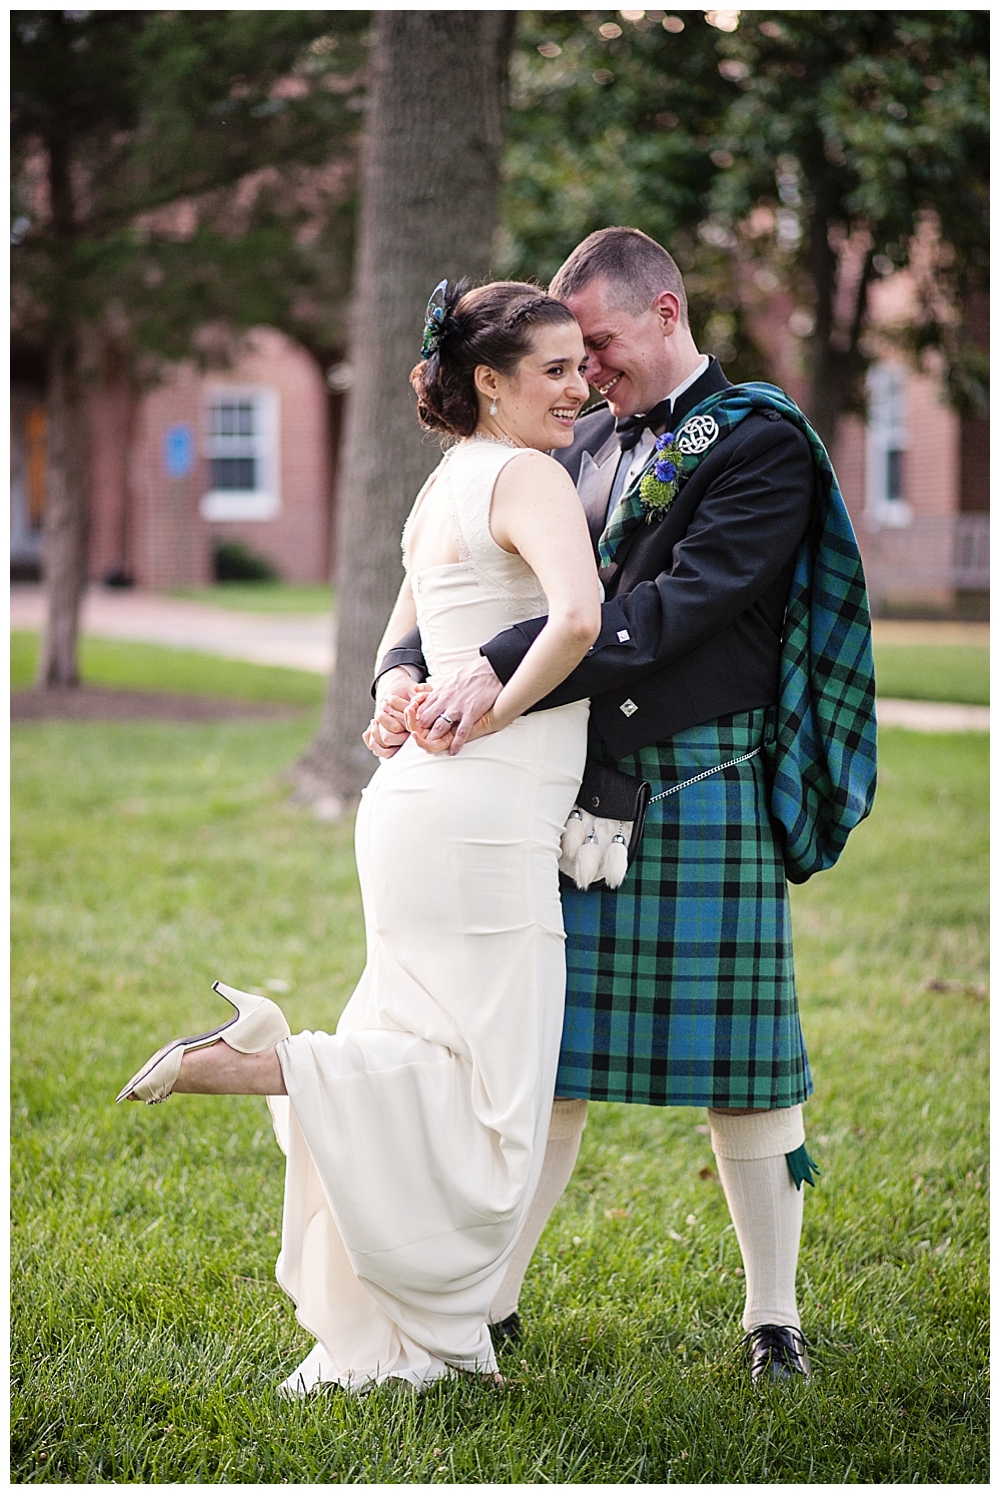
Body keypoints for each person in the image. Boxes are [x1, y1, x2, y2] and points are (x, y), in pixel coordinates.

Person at [370, 227, 876, 1384]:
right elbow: (458, 576)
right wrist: (398, 668)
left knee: (745, 1068)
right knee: (548, 1055)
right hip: (577, 781)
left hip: (701, 782)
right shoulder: (576, 441)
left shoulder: (755, 440)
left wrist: (497, 664)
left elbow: (679, 607)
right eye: (567, 354)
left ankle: (774, 1321)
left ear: (664, 312)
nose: (585, 371)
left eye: (597, 344)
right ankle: (490, 1305)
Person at [117, 279, 602, 1393]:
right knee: (495, 1103)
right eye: (557, 369)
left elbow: (402, 641)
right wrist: (496, 708)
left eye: (582, 365)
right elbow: (579, 617)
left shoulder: (444, 484)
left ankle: (412, 1329)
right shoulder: (529, 476)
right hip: (483, 814)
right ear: (490, 382)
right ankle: (267, 1066)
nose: (581, 388)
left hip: (413, 810)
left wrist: (396, 693)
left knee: (432, 1052)